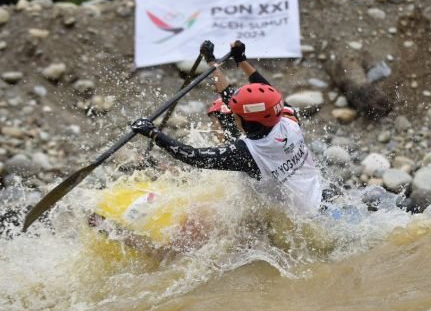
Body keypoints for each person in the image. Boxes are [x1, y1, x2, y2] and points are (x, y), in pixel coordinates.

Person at [130, 41, 330, 215]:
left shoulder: (249, 153)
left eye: (235, 114)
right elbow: (261, 91)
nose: (232, 117)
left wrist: (153, 134)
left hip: (302, 220)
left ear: (248, 121)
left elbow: (194, 156)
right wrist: (224, 62)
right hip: (318, 197)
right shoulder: (287, 118)